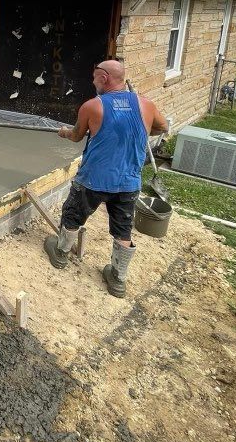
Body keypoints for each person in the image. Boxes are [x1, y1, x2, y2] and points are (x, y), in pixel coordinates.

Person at [46, 59, 168, 298]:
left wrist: (63, 132)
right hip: (128, 182)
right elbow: (161, 127)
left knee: (73, 215)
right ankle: (118, 279)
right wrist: (142, 130)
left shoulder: (92, 106)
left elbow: (76, 135)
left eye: (94, 79)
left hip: (93, 179)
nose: (93, 83)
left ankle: (61, 254)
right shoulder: (146, 104)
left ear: (104, 78)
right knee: (123, 230)